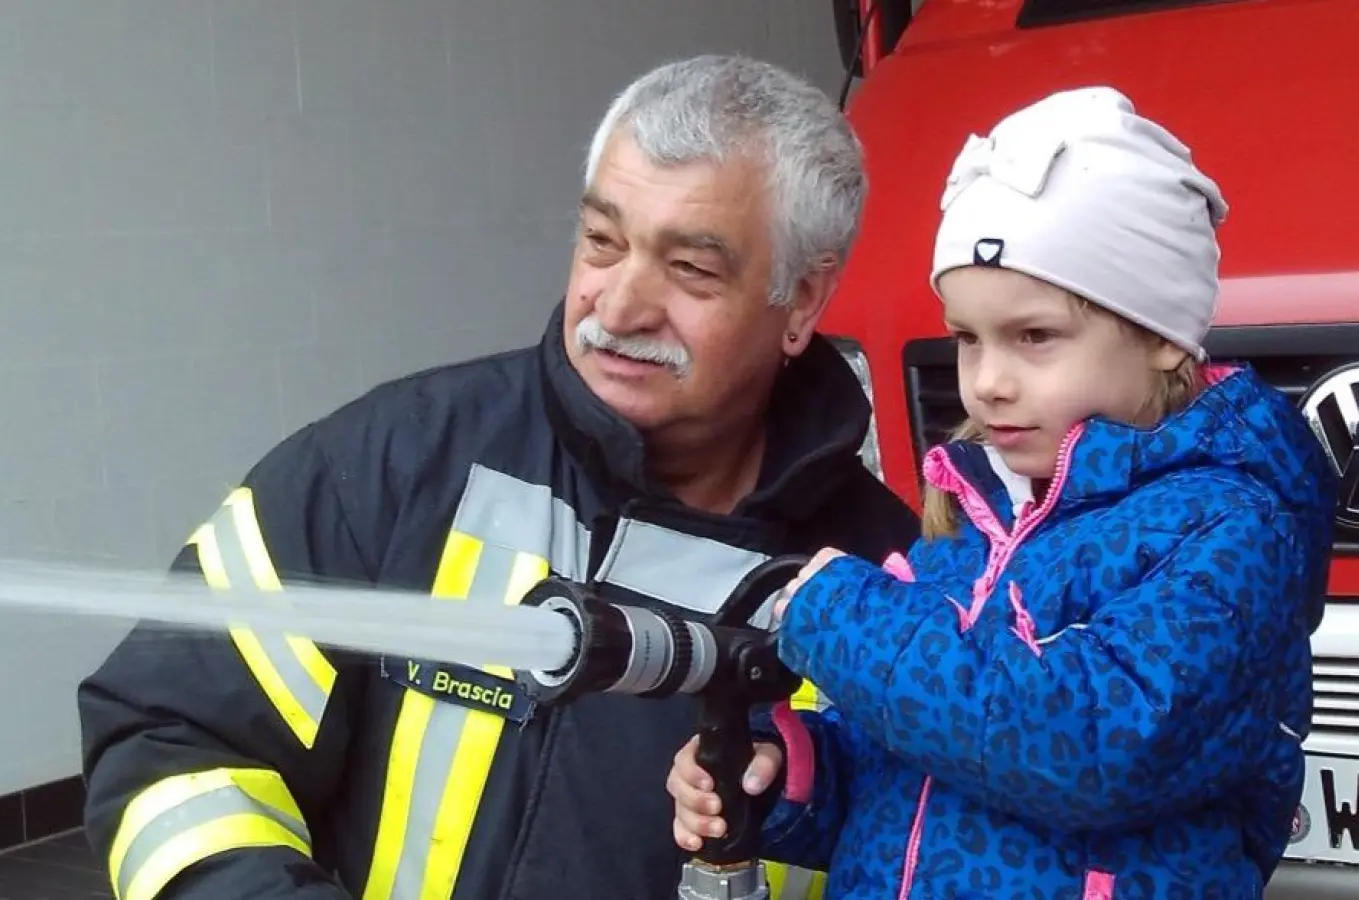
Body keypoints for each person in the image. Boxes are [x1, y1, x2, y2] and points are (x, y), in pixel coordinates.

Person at [77, 55, 916, 900]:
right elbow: (173, 736)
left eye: (690, 269)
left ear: (802, 301)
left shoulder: (900, 589)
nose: (617, 308)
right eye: (601, 241)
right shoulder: (398, 465)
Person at [668, 86, 1339, 898]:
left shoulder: (1226, 532)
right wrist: (789, 775)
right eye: (966, 337)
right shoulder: (978, 516)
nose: (986, 384)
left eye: (1034, 337)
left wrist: (846, 619)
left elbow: (1088, 746)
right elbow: (911, 762)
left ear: (1162, 336)